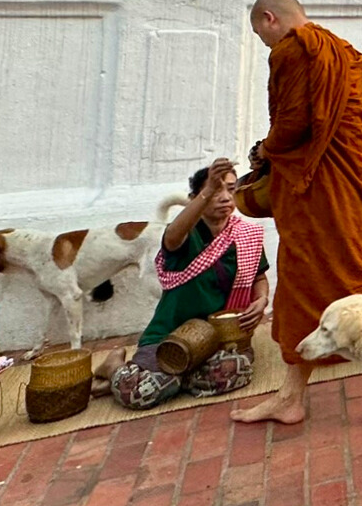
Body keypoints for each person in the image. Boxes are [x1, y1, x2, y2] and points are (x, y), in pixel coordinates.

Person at [233, 0, 362, 425]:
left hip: (321, 191)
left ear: (270, 19)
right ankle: (321, 394)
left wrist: (265, 150)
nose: (265, 44)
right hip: (354, 183)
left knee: (304, 279)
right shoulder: (338, 48)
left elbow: (293, 124)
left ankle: (312, 396)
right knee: (359, 278)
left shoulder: (293, 50)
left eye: (261, 35)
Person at [91, 159, 269, 410]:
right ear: (195, 197)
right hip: (169, 337)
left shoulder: (245, 236)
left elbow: (259, 279)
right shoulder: (186, 233)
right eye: (214, 190)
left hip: (216, 339)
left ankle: (172, 379)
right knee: (138, 395)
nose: (225, 197)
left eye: (230, 189)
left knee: (237, 370)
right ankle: (115, 367)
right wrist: (207, 191)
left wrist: (261, 301)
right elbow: (173, 236)